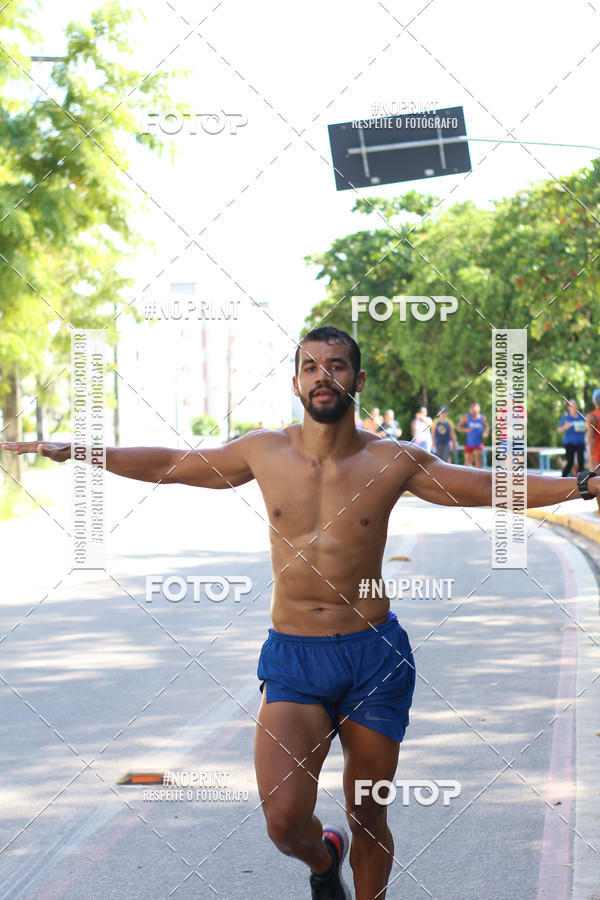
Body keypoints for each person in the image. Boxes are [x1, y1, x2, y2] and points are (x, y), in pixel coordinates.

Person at [3, 325, 599, 900]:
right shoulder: (264, 451)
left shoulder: (393, 461)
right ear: (295, 383)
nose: (323, 376)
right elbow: (171, 464)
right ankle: (322, 858)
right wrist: (85, 451)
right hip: (295, 658)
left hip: (374, 659)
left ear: (357, 379)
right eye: (310, 366)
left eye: (336, 366)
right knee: (285, 821)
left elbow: (484, 484)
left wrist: (581, 487)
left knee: (369, 812)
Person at [558, 398, 587, 477]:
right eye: (572, 405)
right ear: (569, 407)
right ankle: (562, 478)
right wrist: (565, 427)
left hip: (580, 443)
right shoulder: (566, 418)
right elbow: (559, 430)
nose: (574, 406)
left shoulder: (581, 417)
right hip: (569, 443)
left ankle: (581, 481)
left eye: (575, 404)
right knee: (570, 462)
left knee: (581, 462)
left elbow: (586, 429)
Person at [457, 402, 489, 468]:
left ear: (479, 408)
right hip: (468, 443)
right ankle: (466, 477)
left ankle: (479, 477)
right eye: (472, 407)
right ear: (469, 409)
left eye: (475, 407)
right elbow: (458, 428)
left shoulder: (482, 418)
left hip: (478, 443)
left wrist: (485, 432)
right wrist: (466, 429)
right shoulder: (466, 417)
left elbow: (486, 427)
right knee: (468, 463)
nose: (473, 409)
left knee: (479, 463)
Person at [586, 389, 600, 514]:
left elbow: (590, 437)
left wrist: (590, 455)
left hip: (597, 453)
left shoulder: (592, 416)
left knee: (597, 482)